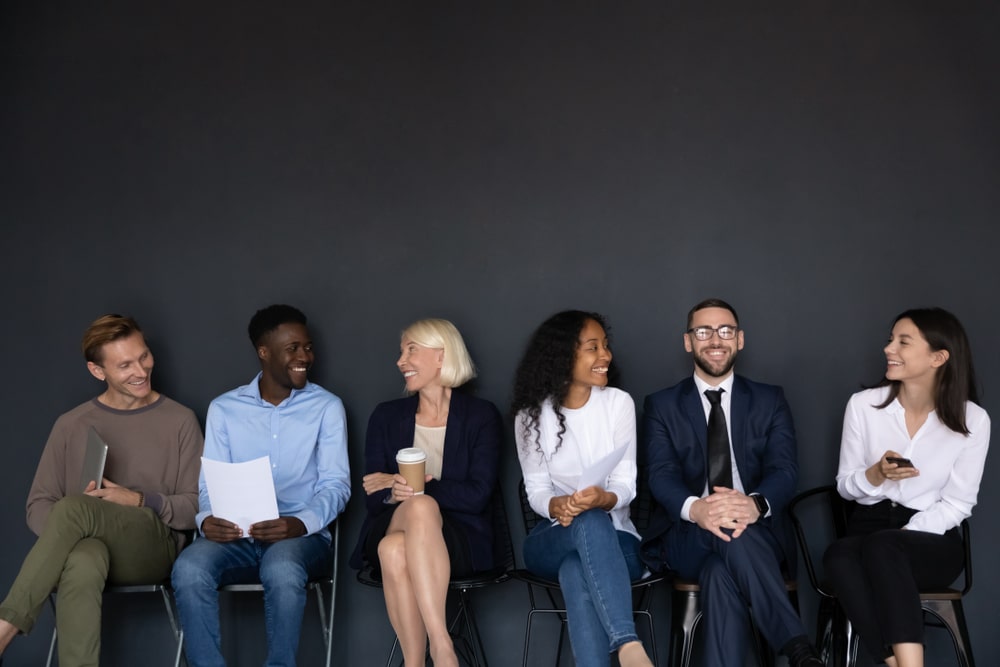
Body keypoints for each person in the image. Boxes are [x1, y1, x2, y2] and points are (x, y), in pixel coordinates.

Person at [0, 314, 203, 667]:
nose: (141, 370)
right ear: (98, 372)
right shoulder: (71, 425)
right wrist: (80, 525)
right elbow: (38, 505)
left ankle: (4, 629)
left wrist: (138, 500)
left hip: (153, 548)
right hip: (91, 547)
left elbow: (198, 506)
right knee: (82, 557)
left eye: (144, 356)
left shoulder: (180, 420)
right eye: (125, 365)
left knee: (75, 508)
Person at [641, 298, 821, 667]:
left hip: (755, 532)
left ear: (740, 340)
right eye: (703, 331)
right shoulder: (662, 405)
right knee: (726, 530)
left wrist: (754, 505)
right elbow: (661, 476)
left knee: (720, 575)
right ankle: (799, 648)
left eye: (725, 331)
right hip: (689, 535)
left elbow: (785, 470)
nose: (715, 340)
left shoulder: (770, 400)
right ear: (688, 342)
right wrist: (699, 510)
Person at [171, 304, 350, 667]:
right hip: (235, 537)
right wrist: (206, 520)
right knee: (188, 569)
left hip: (301, 538)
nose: (305, 357)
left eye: (308, 347)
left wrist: (300, 523)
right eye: (293, 348)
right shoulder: (224, 409)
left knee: (282, 569)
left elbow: (336, 485)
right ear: (264, 352)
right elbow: (208, 486)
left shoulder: (326, 407)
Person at [822, 308, 989, 667]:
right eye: (890, 339)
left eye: (903, 341)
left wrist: (907, 531)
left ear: (938, 357)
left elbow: (958, 504)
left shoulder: (973, 419)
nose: (888, 348)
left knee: (885, 546)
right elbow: (846, 488)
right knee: (838, 555)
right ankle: (897, 662)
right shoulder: (864, 406)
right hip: (868, 524)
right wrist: (876, 474)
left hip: (932, 538)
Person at [351, 318, 501, 667]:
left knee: (393, 549)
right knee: (417, 510)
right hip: (395, 520)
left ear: (441, 356)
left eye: (411, 350)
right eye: (401, 351)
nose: (401, 361)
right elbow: (373, 499)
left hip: (459, 540)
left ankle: (416, 663)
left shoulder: (481, 416)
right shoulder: (385, 417)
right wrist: (393, 491)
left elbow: (478, 495)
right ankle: (442, 645)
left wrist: (413, 485)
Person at [512, 310, 654, 667]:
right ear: (563, 356)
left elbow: (625, 482)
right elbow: (536, 488)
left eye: (605, 346)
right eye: (593, 347)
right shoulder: (530, 417)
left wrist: (603, 499)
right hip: (552, 538)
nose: (605, 355)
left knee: (577, 566)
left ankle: (624, 644)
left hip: (619, 540)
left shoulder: (618, 404)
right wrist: (557, 505)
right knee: (584, 525)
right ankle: (627, 643)